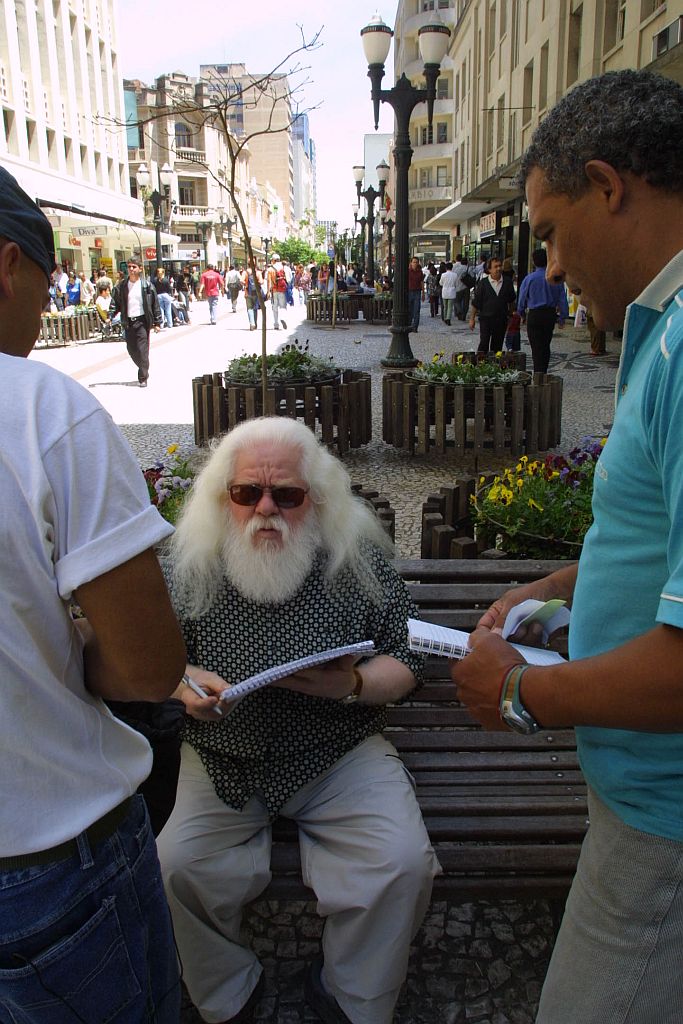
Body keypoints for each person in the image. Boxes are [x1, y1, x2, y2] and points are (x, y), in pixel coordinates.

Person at [450, 69, 683, 1024]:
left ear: (607, 184)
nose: (543, 267)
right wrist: (571, 576)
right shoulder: (663, 328)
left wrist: (516, 692)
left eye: (545, 231)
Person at [157, 417, 439, 1024]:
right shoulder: (189, 561)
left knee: (401, 863)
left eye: (286, 494)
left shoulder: (353, 553)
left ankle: (349, 996)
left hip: (337, 750)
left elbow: (408, 654)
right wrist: (184, 686)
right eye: (245, 494)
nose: (266, 508)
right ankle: (227, 994)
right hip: (221, 753)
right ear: (222, 495)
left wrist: (355, 683)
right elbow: (155, 657)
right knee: (174, 865)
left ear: (316, 496)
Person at [0, 164, 187, 1022]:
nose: (41, 322)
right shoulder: (41, 410)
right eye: (42, 295)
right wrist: (70, 643)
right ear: (10, 265)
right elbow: (150, 667)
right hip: (45, 863)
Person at [110, 255, 162, 387]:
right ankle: (144, 366)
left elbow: (155, 304)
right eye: (129, 267)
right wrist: (110, 315)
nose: (131, 269)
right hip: (128, 322)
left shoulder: (147, 286)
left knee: (142, 349)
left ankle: (143, 377)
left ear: (140, 269)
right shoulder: (122, 286)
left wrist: (157, 322)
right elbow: (115, 302)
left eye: (134, 267)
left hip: (142, 322)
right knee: (131, 349)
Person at [516, 248, 569, 373]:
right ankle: (543, 370)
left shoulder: (530, 279)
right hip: (550, 314)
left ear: (534, 262)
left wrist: (521, 313)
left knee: (536, 345)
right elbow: (562, 298)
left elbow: (522, 299)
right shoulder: (554, 279)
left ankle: (538, 371)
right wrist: (562, 317)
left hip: (535, 314)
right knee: (545, 344)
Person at [469, 257, 516, 354]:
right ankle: (481, 364)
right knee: (484, 343)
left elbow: (511, 300)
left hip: (501, 319)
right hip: (486, 318)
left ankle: (494, 366)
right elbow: (476, 302)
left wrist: (511, 315)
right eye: (495, 266)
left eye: (500, 266)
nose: (498, 268)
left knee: (497, 345)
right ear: (489, 269)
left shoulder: (507, 282)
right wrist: (472, 318)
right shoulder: (483, 283)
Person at [266, 253, 288, 330]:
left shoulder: (270, 269)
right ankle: (283, 318)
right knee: (283, 306)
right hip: (282, 289)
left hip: (274, 290)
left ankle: (276, 324)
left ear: (273, 260)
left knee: (275, 307)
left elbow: (268, 281)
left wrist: (268, 291)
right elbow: (289, 279)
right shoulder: (284, 267)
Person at [408, 255, 425, 332]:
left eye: (416, 262)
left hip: (417, 292)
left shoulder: (420, 272)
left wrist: (423, 293)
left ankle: (415, 327)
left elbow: (422, 282)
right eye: (414, 262)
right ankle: (409, 325)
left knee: (417, 310)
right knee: (409, 310)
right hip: (409, 291)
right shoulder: (408, 271)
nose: (415, 264)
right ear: (411, 263)